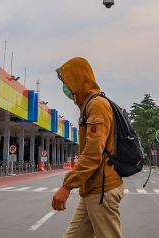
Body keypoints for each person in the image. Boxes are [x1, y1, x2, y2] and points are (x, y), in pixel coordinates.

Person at [52, 57, 124, 238]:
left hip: (102, 191)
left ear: (77, 79)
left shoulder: (96, 105)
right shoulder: (88, 105)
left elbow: (93, 153)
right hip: (92, 189)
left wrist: (67, 185)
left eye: (66, 82)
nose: (65, 88)